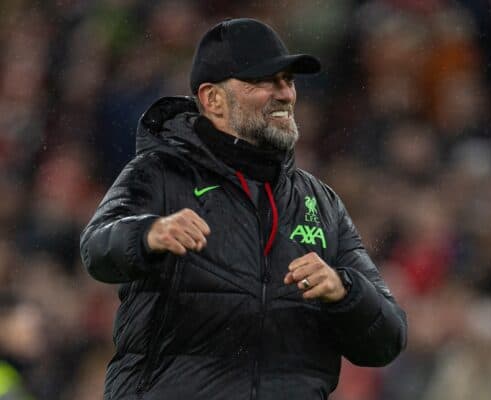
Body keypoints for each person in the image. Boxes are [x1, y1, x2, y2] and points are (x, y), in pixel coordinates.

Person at [80, 18, 407, 400]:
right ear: (213, 99)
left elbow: (388, 339)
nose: (285, 93)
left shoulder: (320, 202)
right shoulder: (160, 174)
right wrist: (148, 233)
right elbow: (97, 249)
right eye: (264, 81)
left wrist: (344, 290)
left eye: (288, 80)